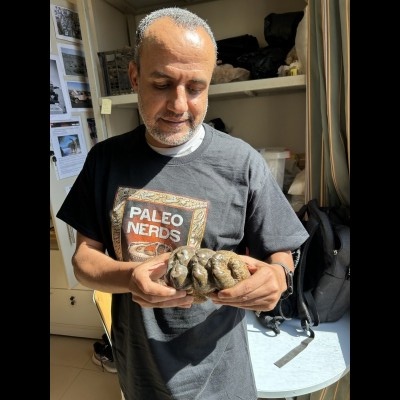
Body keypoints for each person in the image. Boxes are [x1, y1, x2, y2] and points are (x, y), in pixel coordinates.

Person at [56, 7, 309, 400]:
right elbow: (84, 261)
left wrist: (278, 279)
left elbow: (280, 254)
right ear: (135, 77)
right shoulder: (105, 160)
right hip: (139, 372)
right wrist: (128, 278)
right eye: (161, 84)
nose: (179, 105)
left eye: (195, 88)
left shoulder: (242, 163)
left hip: (223, 378)